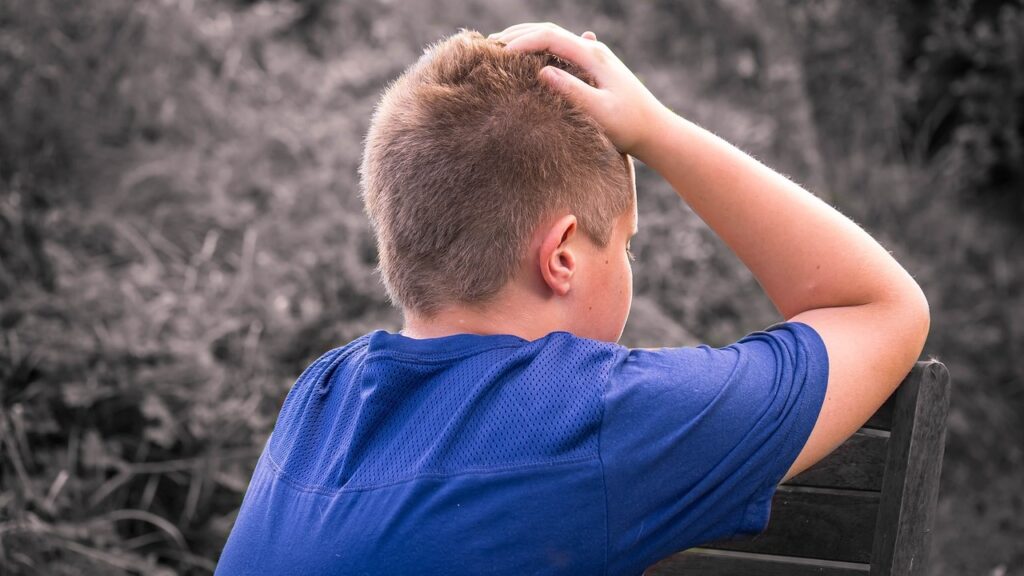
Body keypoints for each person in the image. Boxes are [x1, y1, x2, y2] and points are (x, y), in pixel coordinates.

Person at [215, 22, 929, 576]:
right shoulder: (594, 419)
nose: (629, 265)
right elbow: (882, 308)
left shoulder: (320, 398)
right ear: (560, 258)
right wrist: (656, 130)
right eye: (624, 244)